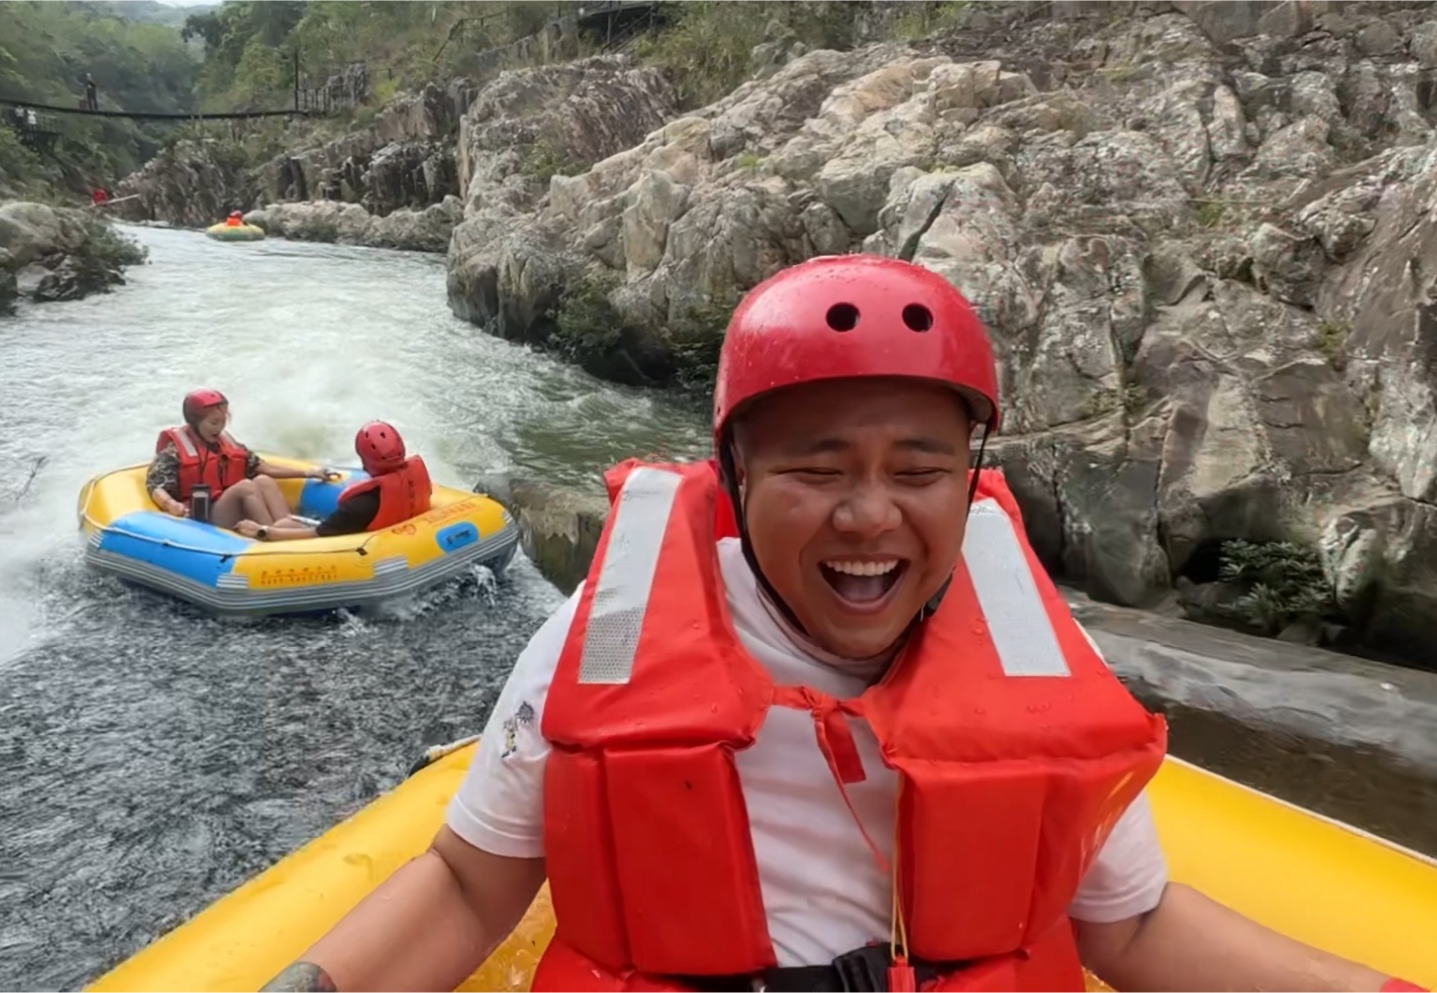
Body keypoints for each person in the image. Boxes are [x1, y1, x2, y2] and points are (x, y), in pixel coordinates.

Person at [261, 257, 1424, 993]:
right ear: (735, 474)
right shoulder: (602, 643)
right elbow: (472, 886)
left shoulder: (1022, 657)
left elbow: (1129, 923)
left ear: (970, 484)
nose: (871, 516)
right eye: (818, 469)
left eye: (919, 469)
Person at [146, 389, 333, 531]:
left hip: (231, 505)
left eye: (222, 421)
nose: (219, 428)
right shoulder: (174, 453)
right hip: (202, 515)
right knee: (246, 486)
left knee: (263, 480)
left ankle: (284, 526)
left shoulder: (227, 444)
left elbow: (265, 469)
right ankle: (273, 535)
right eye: (213, 423)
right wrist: (171, 505)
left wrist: (309, 472)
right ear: (195, 423)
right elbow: (156, 486)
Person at [236, 421, 433, 542]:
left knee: (284, 525)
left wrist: (263, 532)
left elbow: (318, 534)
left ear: (364, 460)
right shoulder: (418, 478)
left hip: (352, 545)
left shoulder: (361, 504)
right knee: (267, 487)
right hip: (396, 533)